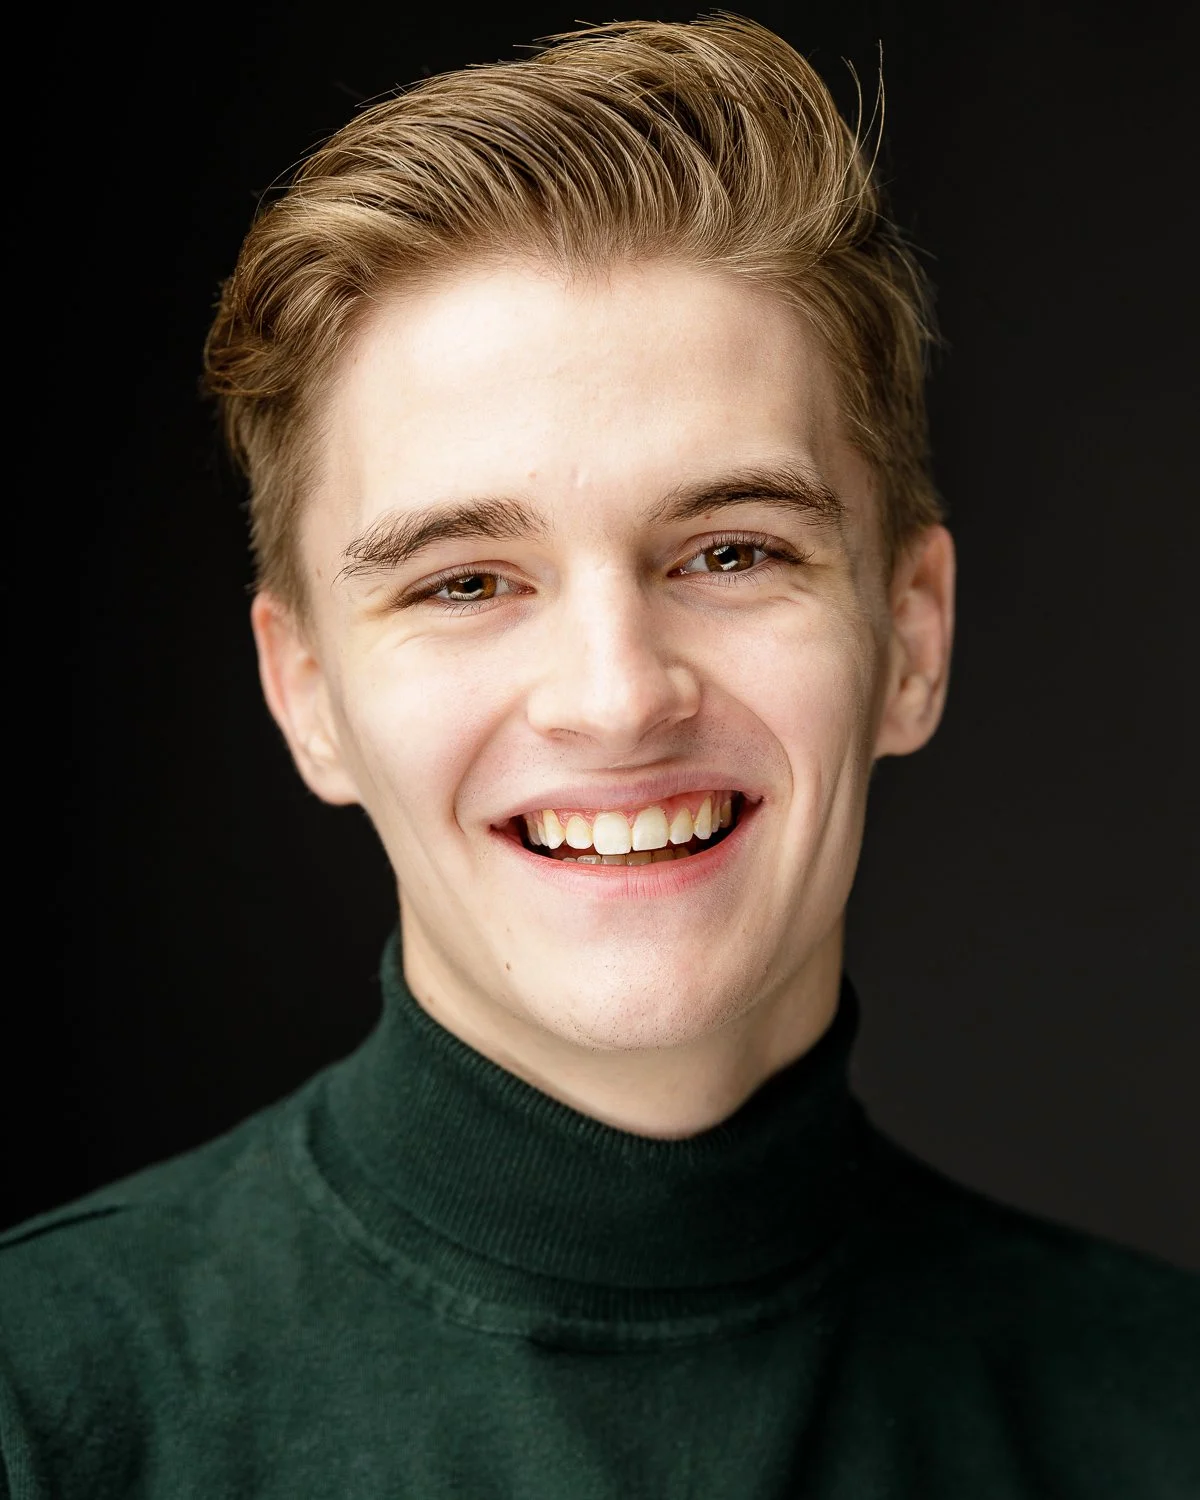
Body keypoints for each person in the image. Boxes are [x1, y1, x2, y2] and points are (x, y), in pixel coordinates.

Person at [1, 15, 1195, 1498]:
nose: (619, 699)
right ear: (306, 694)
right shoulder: (44, 1409)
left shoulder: (1163, 1420)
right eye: (464, 580)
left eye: (732, 549)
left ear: (913, 637)